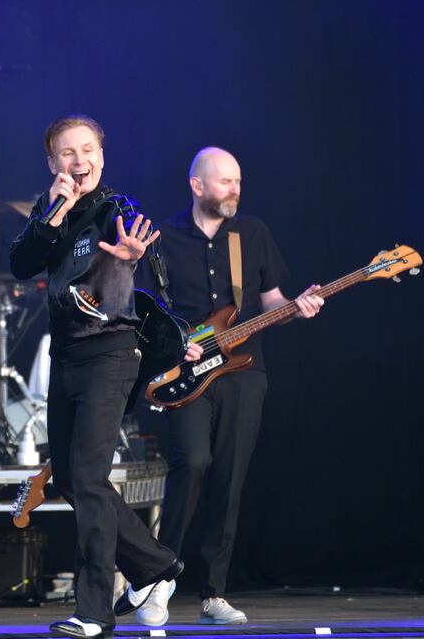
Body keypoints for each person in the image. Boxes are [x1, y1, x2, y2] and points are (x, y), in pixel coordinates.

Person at [10, 115, 200, 639]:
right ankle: (155, 566)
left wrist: (136, 254)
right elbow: (22, 262)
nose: (79, 160)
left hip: (111, 353)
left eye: (87, 149)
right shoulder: (54, 213)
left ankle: (95, 610)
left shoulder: (119, 208)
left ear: (101, 155)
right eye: (67, 153)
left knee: (89, 479)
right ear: (53, 164)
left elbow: (144, 247)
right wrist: (53, 211)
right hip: (66, 357)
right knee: (70, 479)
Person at [135, 146, 324, 626]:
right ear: (197, 185)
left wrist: (298, 306)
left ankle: (213, 594)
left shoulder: (252, 233)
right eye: (225, 182)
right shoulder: (164, 237)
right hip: (188, 373)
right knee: (192, 462)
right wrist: (175, 346)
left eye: (238, 181)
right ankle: (157, 580)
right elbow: (145, 313)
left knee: (230, 476)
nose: (235, 190)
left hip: (244, 371)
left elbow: (273, 301)